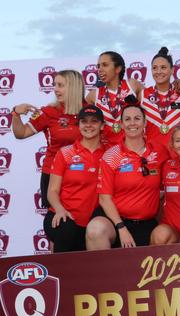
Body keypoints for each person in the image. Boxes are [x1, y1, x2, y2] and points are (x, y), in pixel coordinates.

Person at [85, 98, 169, 250]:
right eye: (127, 119)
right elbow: (104, 199)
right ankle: (101, 273)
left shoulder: (159, 151)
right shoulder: (111, 156)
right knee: (95, 230)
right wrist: (121, 228)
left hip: (146, 222)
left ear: (145, 123)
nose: (132, 123)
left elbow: (175, 170)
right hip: (115, 222)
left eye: (137, 119)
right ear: (121, 124)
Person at [11, 70, 85, 208]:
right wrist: (15, 113)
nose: (55, 89)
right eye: (54, 85)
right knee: (58, 223)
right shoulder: (48, 112)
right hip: (54, 176)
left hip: (85, 175)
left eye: (60, 85)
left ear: (74, 87)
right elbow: (21, 133)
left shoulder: (89, 111)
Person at [44, 105, 105, 252]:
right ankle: (60, 273)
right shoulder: (65, 153)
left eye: (94, 121)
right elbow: (52, 191)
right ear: (79, 126)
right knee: (66, 229)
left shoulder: (110, 154)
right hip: (63, 216)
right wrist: (59, 210)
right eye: (84, 121)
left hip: (93, 223)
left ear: (102, 126)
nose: (89, 125)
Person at [86, 51, 143, 146]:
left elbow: (154, 99)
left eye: (105, 65)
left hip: (133, 148)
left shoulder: (132, 85)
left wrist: (176, 83)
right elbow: (79, 117)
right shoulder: (94, 94)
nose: (100, 69)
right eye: (98, 66)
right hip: (107, 150)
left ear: (118, 68)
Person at [141, 47, 180, 150]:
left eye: (163, 67)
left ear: (172, 70)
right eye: (154, 68)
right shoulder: (142, 94)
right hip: (153, 156)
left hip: (179, 155)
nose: (158, 71)